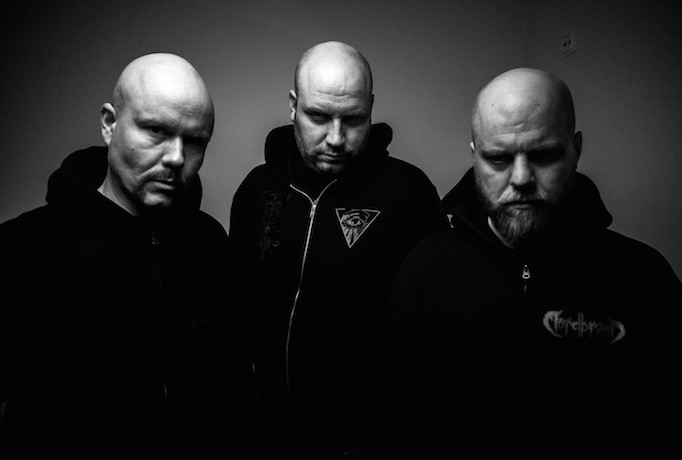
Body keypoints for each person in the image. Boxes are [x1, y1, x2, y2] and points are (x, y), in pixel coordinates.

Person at [384, 67, 682, 456]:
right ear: (475, 156)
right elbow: (398, 421)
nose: (522, 178)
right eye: (498, 158)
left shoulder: (643, 277)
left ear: (575, 149)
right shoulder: (425, 270)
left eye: (543, 155)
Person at [0, 53, 255, 455]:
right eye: (156, 130)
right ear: (109, 123)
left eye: (194, 141)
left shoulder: (211, 243)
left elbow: (234, 389)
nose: (176, 157)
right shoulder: (23, 249)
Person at [229, 41, 448, 458]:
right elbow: (234, 311)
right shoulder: (257, 189)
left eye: (353, 119)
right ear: (293, 106)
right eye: (317, 116)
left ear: (371, 109)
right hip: (266, 433)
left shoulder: (409, 193)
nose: (336, 139)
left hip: (366, 440)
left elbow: (435, 333)